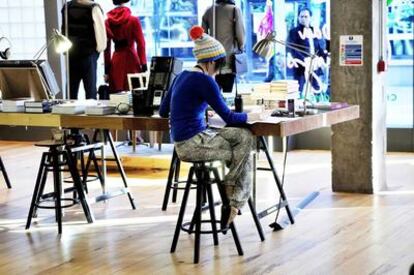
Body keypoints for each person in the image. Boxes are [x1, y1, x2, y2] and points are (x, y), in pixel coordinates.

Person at [159, 26, 267, 229]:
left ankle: (231, 197)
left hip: (186, 140)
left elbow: (163, 111)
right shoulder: (205, 81)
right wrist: (254, 116)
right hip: (193, 143)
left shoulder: (181, 76)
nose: (217, 71)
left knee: (242, 137)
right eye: (217, 67)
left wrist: (196, 111)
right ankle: (233, 202)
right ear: (210, 63)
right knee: (243, 147)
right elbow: (228, 116)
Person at [62, 0, 106, 99]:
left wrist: (65, 51)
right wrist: (99, 50)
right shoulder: (94, 8)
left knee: (71, 92)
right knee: (90, 91)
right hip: (88, 54)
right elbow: (100, 33)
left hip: (71, 53)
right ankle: (91, 113)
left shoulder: (67, 7)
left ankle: (69, 113)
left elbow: (63, 31)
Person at [202, 0, 245, 93]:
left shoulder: (209, 10)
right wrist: (241, 46)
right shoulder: (235, 10)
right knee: (228, 93)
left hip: (213, 61)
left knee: (214, 94)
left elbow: (203, 36)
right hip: (229, 59)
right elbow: (240, 33)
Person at [104, 0, 147, 93]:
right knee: (135, 94)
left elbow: (106, 49)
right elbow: (141, 44)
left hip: (116, 62)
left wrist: (107, 70)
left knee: (117, 98)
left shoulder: (108, 22)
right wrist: (143, 64)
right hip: (132, 61)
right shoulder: (133, 20)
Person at [286, 6, 326, 98]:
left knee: (317, 88)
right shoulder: (294, 32)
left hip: (314, 64)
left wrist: (323, 58)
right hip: (301, 65)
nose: (303, 19)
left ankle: (320, 105)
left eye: (306, 16)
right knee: (298, 89)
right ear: (298, 17)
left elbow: (319, 47)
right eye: (301, 16)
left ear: (310, 18)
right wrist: (304, 60)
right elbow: (293, 49)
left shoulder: (315, 30)